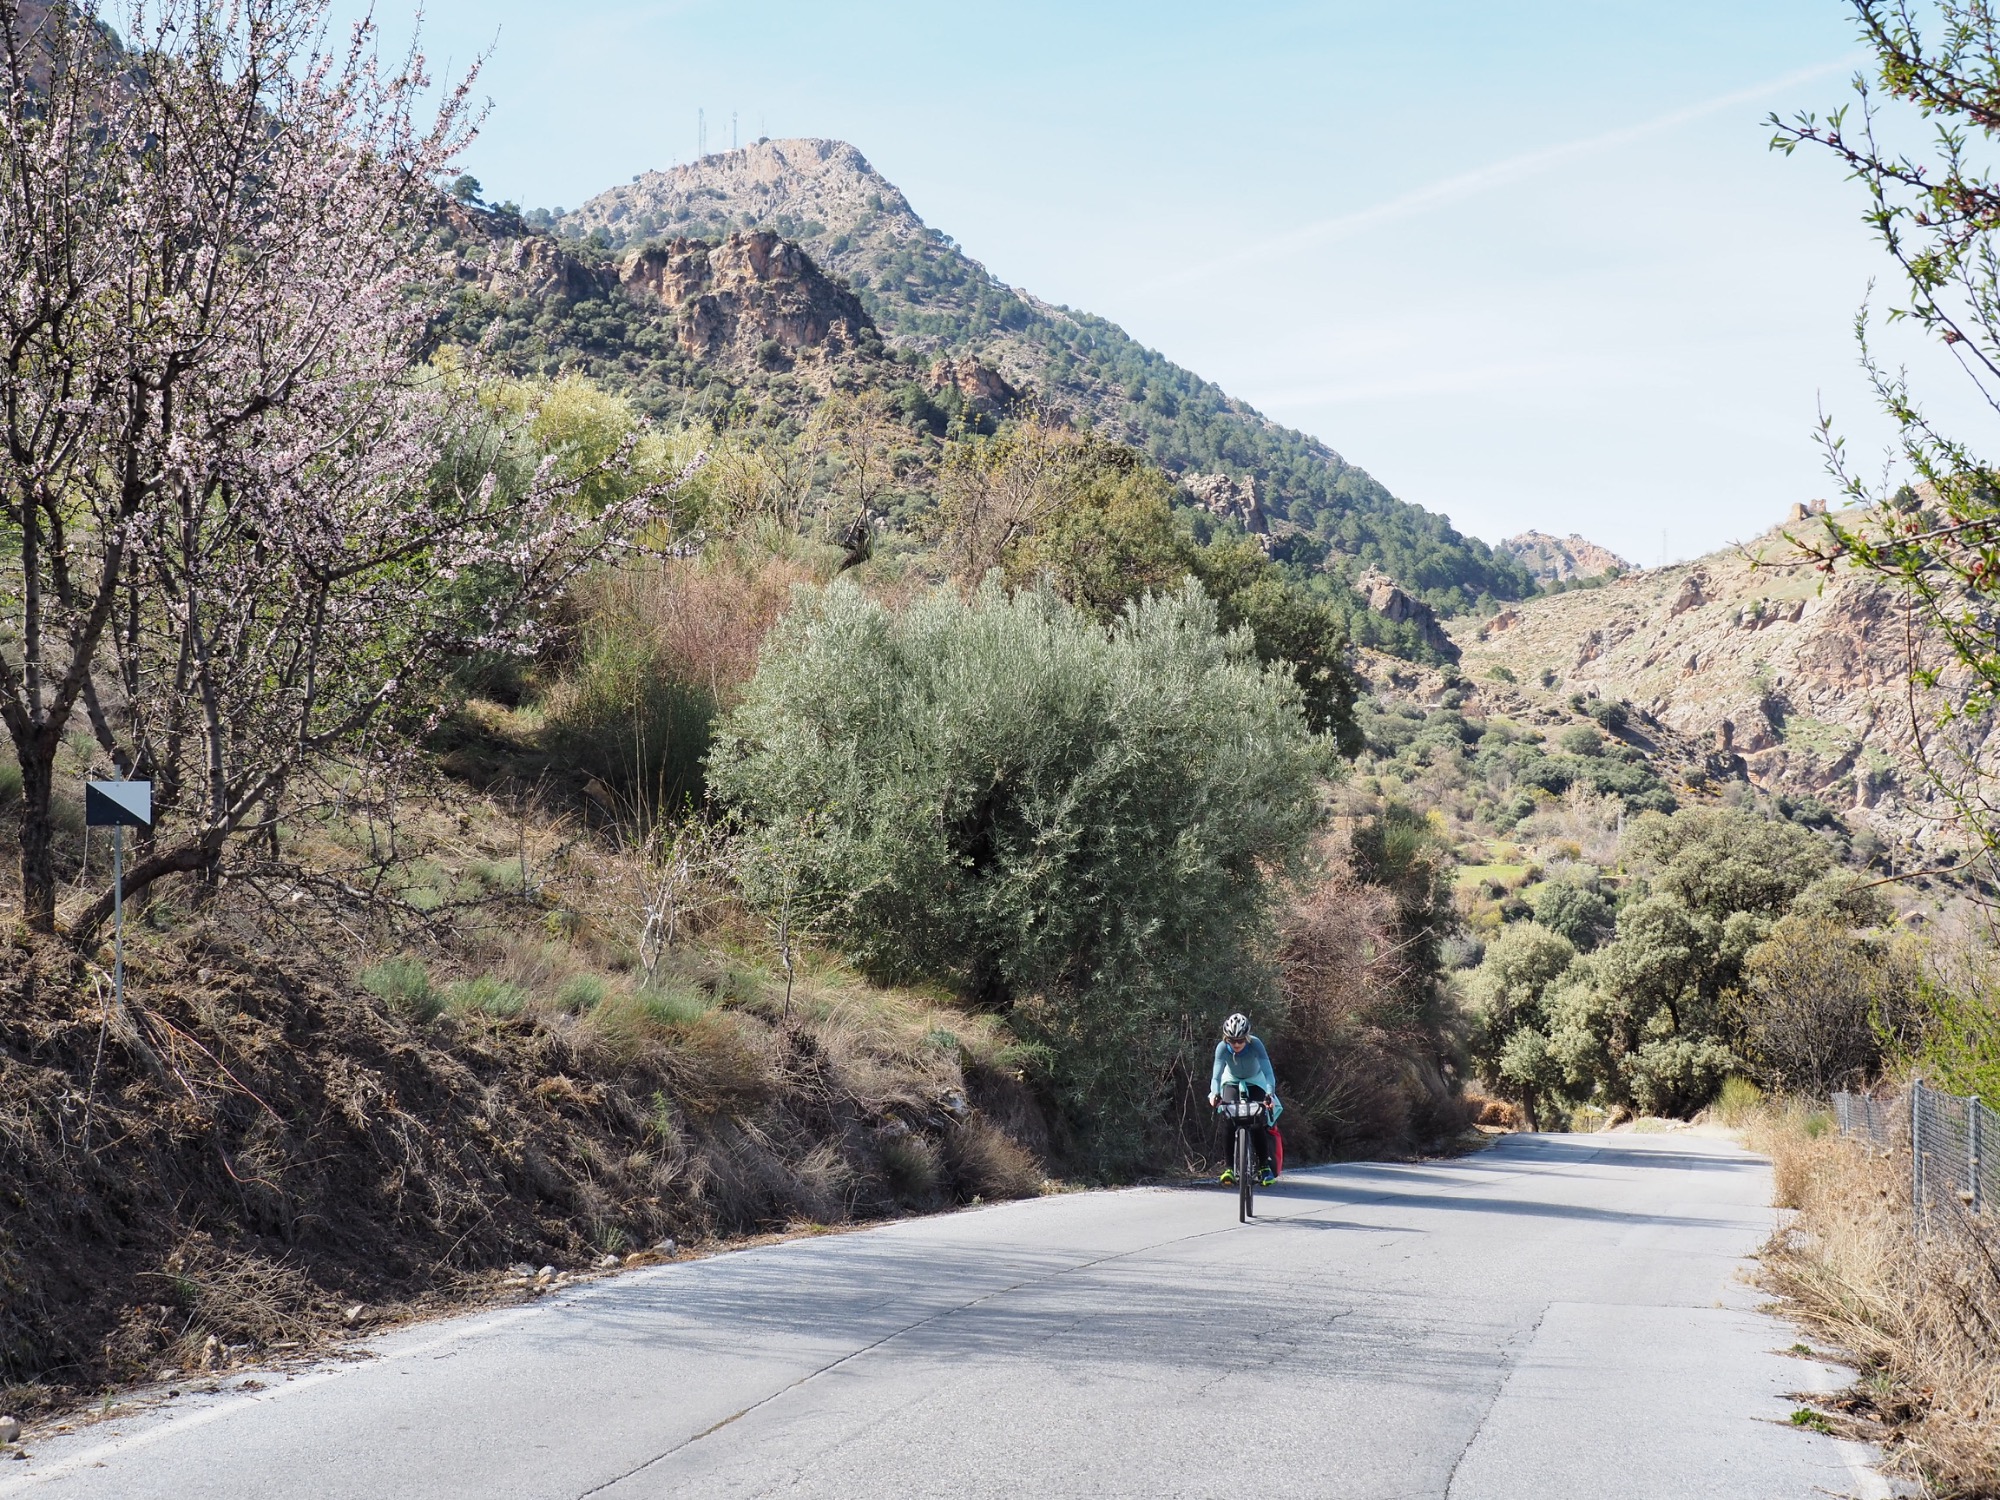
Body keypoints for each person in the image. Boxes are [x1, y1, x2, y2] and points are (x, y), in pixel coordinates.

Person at [1209, 1012, 1279, 1186]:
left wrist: (1269, 1094)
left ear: (1247, 1037)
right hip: (1231, 1080)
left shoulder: (1256, 1044)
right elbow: (1216, 1076)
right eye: (1232, 1040)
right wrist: (1214, 1094)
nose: (1236, 1044)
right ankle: (1229, 1168)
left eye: (1240, 1040)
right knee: (1229, 1120)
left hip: (1256, 1080)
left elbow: (1268, 1072)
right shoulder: (1222, 1048)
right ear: (1226, 1039)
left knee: (1256, 1122)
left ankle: (1264, 1167)